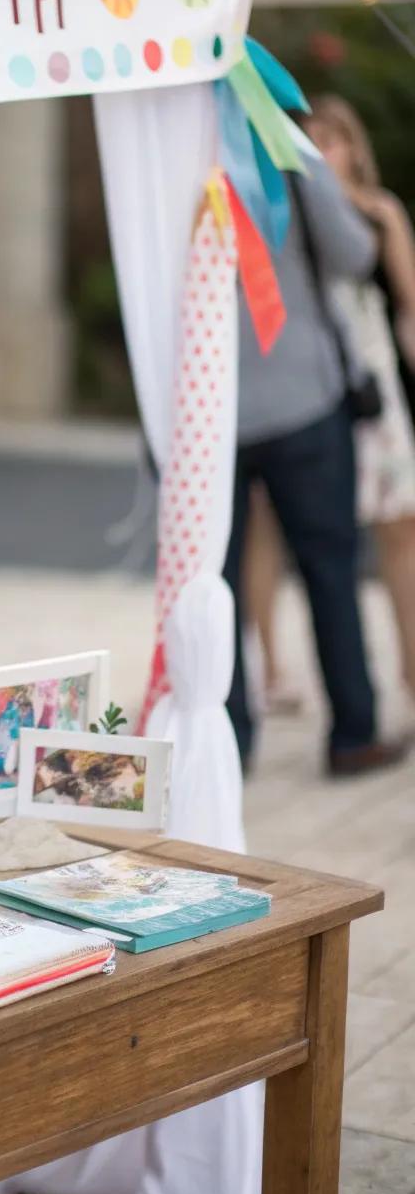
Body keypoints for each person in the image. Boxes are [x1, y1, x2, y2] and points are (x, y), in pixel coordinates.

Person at [224, 149, 411, 776]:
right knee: (330, 569)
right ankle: (353, 734)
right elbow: (355, 255)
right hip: (304, 395)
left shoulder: (169, 157)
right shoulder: (286, 153)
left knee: (217, 580)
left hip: (208, 406)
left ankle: (227, 745)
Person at [309, 95, 415, 696]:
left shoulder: (379, 213)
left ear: (353, 146)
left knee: (400, 527)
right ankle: (293, 672)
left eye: (334, 138)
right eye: (314, 139)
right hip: (319, 392)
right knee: (325, 539)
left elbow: (408, 304)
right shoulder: (294, 214)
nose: (325, 150)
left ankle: (411, 668)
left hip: (375, 386)